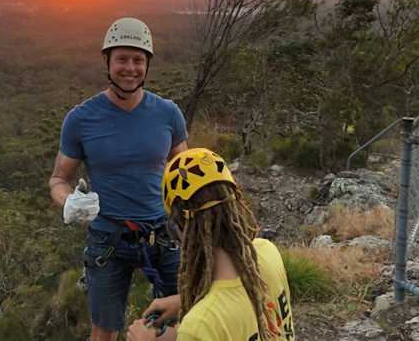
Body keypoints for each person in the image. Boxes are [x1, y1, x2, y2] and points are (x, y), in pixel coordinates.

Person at [49, 17, 189, 341]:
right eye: (122, 59)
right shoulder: (81, 118)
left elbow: (186, 172)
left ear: (147, 64)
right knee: (104, 332)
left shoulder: (167, 114)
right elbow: (59, 178)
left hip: (163, 233)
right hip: (108, 239)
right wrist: (68, 201)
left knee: (188, 317)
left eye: (138, 60)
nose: (130, 68)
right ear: (107, 62)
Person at [127, 148, 296, 341]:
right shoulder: (267, 251)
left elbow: (204, 328)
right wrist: (184, 302)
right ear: (234, 206)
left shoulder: (201, 325)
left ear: (180, 229)